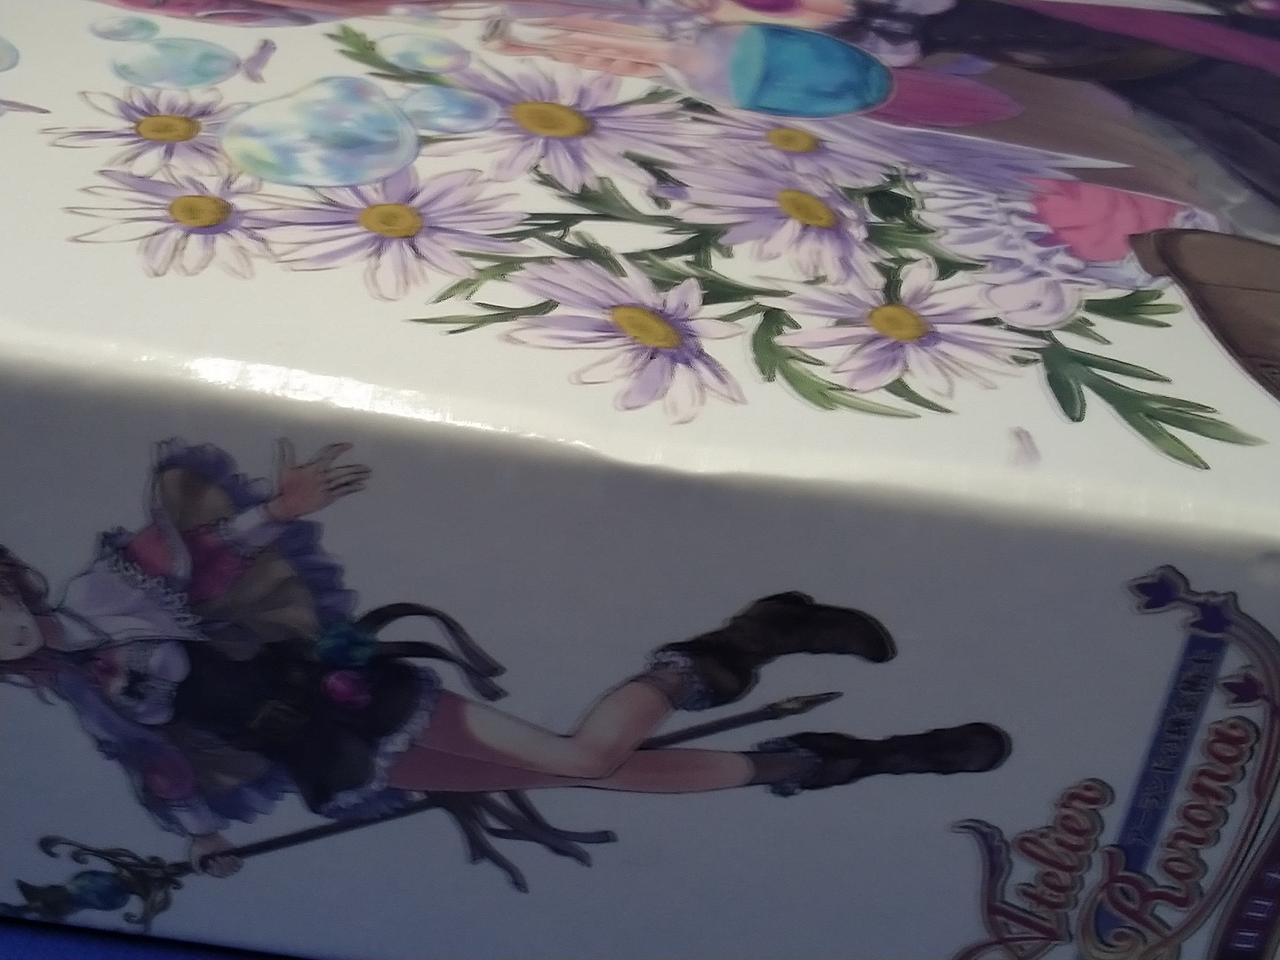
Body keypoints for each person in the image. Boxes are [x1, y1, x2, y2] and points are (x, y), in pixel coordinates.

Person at [1, 439, 1010, 880]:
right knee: (600, 780)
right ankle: (832, 761)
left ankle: (739, 642)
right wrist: (201, 843)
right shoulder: (77, 702)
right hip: (337, 760)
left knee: (580, 757)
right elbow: (162, 770)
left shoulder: (106, 592)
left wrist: (279, 509)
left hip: (355, 699)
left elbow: (214, 560)